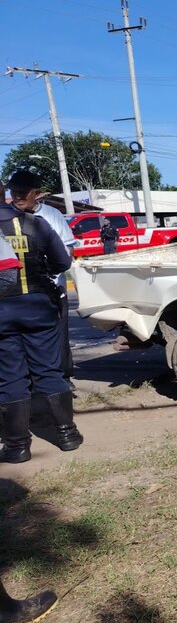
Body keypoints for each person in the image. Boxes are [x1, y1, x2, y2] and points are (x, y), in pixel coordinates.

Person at [1, 176, 83, 463]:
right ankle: (67, 434)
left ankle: (16, 446)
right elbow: (63, 262)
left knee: (10, 376)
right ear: (6, 194)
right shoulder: (35, 223)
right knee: (48, 370)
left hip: (2, 313)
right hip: (39, 307)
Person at [7, 169, 78, 386]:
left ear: (36, 193)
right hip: (13, 295)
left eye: (23, 193)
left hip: (50, 291)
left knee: (57, 340)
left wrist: (50, 270)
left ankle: (62, 380)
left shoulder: (51, 215)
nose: (17, 196)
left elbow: (68, 251)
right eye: (14, 192)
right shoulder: (5, 218)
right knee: (16, 347)